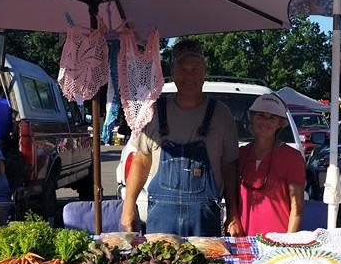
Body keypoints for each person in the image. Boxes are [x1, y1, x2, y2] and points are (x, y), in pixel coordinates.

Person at [121, 39, 242, 236]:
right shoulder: (154, 111)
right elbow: (141, 161)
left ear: (205, 72)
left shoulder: (221, 114)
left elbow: (229, 167)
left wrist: (233, 214)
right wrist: (128, 207)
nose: (189, 75)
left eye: (195, 68)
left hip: (204, 217)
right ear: (172, 72)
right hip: (162, 217)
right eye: (183, 68)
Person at [237, 94, 305, 235]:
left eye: (272, 118)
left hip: (278, 241)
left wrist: (288, 243)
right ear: (252, 118)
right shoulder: (241, 154)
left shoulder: (292, 157)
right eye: (261, 115)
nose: (265, 122)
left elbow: (297, 208)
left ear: (280, 123)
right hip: (245, 239)